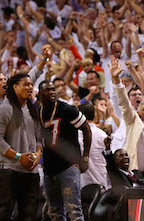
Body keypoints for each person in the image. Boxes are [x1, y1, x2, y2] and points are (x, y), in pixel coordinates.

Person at [0, 73, 43, 221]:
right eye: (26, 84)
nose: (30, 87)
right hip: (9, 171)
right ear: (14, 87)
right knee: (2, 213)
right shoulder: (4, 109)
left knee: (29, 215)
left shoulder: (32, 109)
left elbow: (39, 139)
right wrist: (19, 156)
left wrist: (38, 154)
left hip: (31, 171)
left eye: (31, 84)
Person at [37, 80, 92, 221]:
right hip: (49, 169)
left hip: (68, 166)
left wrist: (85, 157)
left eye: (53, 89)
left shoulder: (67, 109)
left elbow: (86, 129)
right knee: (54, 212)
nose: (51, 92)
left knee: (74, 211)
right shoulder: (39, 112)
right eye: (47, 90)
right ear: (39, 94)